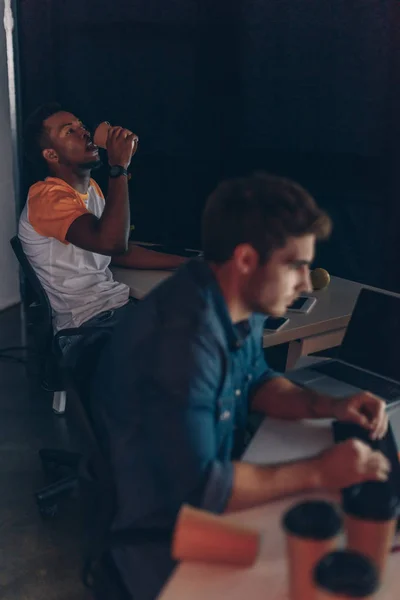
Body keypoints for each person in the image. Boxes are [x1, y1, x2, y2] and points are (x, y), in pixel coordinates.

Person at [91, 173, 390, 599]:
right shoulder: (180, 345)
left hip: (208, 500)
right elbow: (203, 491)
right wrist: (322, 470)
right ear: (247, 259)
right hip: (161, 538)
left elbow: (257, 382)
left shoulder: (231, 297)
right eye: (295, 265)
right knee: (321, 573)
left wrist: (329, 405)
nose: (306, 283)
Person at [18, 103, 186, 363]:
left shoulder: (91, 189)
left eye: (81, 126)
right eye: (69, 131)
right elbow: (112, 243)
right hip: (87, 328)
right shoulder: (46, 198)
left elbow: (119, 251)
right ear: (51, 155)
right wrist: (118, 167)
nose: (84, 133)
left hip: (116, 311)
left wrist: (185, 264)